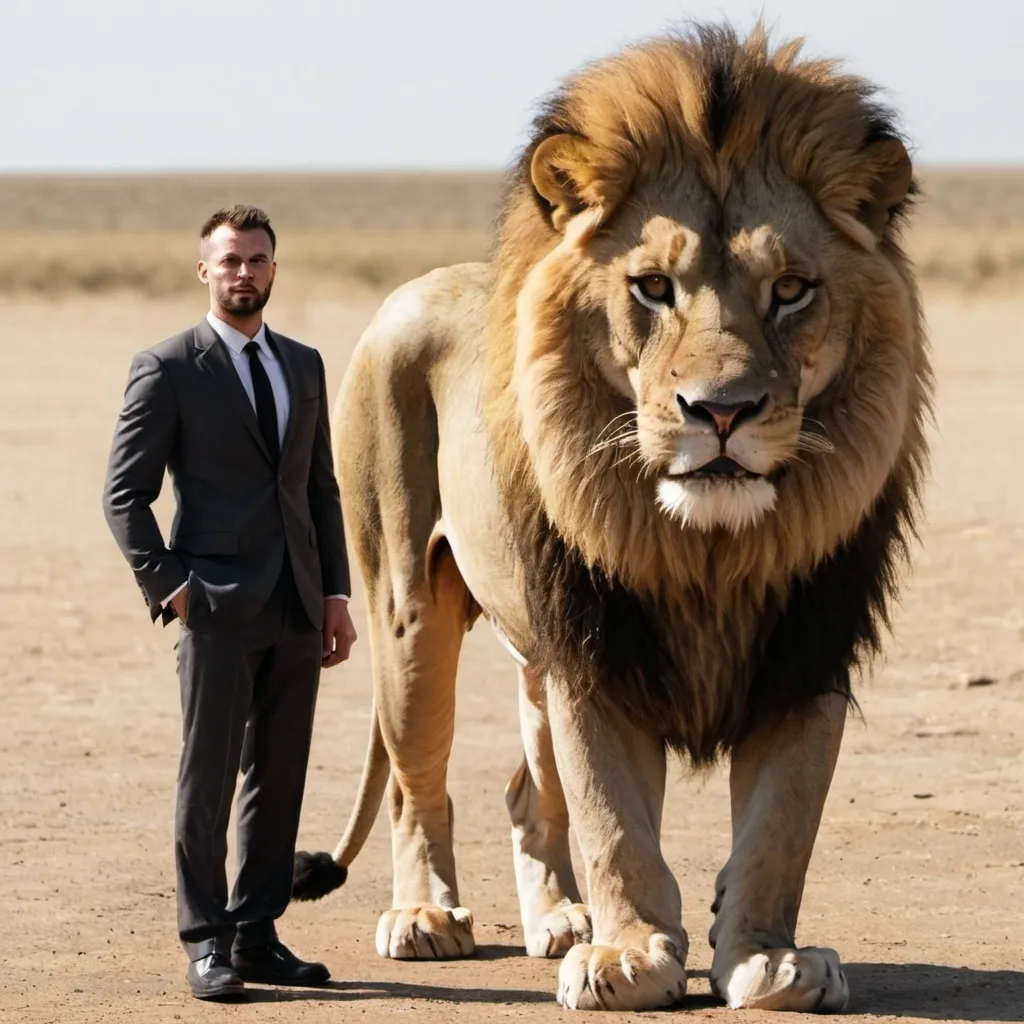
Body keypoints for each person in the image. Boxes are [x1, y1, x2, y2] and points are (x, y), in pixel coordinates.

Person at [102, 204, 357, 1001]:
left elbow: (320, 487)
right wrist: (174, 589)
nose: (244, 272)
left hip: (297, 604)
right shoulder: (168, 366)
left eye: (257, 260)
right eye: (230, 260)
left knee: (278, 776)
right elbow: (124, 496)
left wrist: (337, 594)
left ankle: (255, 933)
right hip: (212, 607)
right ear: (203, 272)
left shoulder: (305, 364)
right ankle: (205, 940)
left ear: (274, 270)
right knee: (206, 780)